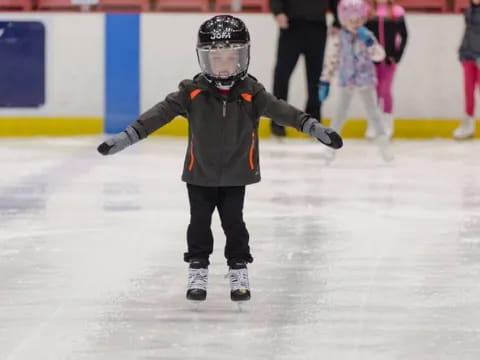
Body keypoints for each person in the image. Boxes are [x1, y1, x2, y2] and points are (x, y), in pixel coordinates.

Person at [97, 15, 343, 303]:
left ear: (243, 57)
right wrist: (127, 136)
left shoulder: (253, 93)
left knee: (234, 223)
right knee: (199, 224)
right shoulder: (192, 92)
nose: (224, 65)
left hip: (237, 175)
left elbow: (284, 112)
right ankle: (197, 268)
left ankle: (238, 268)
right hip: (199, 174)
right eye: (217, 58)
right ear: (204, 60)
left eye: (231, 58)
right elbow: (159, 114)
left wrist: (313, 127)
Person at [319, 0, 392, 162]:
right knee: (339, 114)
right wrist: (325, 80)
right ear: (343, 20)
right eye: (351, 21)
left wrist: (370, 43)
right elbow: (332, 60)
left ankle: (383, 146)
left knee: (374, 114)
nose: (355, 24)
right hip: (347, 81)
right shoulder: (339, 38)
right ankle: (330, 147)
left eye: (358, 20)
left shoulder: (366, 36)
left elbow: (379, 55)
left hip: (365, 80)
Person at [269, 0, 341, 138]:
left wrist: (338, 21)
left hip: (317, 26)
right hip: (292, 25)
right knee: (282, 75)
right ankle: (278, 122)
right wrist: (278, 12)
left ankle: (314, 123)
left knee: (316, 77)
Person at [365, 0, 408, 139]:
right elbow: (364, 37)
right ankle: (374, 123)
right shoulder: (368, 12)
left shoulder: (397, 12)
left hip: (389, 60)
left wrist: (397, 55)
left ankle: (388, 123)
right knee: (374, 91)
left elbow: (404, 35)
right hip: (372, 61)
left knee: (385, 90)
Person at [454, 0, 480, 139]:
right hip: (468, 55)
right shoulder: (469, 11)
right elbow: (468, 32)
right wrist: (462, 50)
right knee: (468, 92)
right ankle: (468, 124)